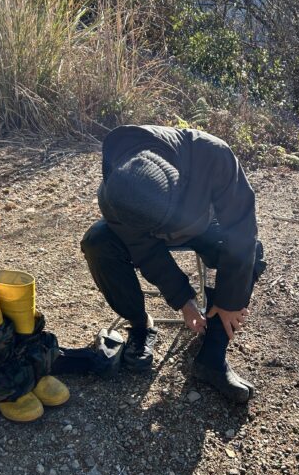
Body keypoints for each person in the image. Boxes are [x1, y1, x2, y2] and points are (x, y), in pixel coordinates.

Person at [81, 125, 265, 403]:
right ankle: (140, 325)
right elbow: (146, 250)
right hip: (141, 230)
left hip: (204, 223)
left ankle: (212, 356)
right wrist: (184, 302)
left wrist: (230, 301)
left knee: (251, 253)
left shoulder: (213, 155)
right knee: (97, 242)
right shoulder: (115, 195)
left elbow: (242, 231)